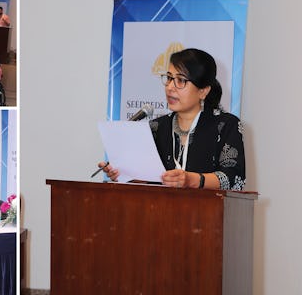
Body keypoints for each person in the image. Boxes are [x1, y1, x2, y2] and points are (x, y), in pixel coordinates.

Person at [98, 48, 246, 191]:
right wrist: (125, 174)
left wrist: (192, 180)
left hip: (206, 213)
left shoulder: (225, 125)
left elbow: (234, 179)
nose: (170, 87)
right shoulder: (156, 127)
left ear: (203, 91)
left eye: (181, 80)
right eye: (169, 78)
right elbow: (150, 179)